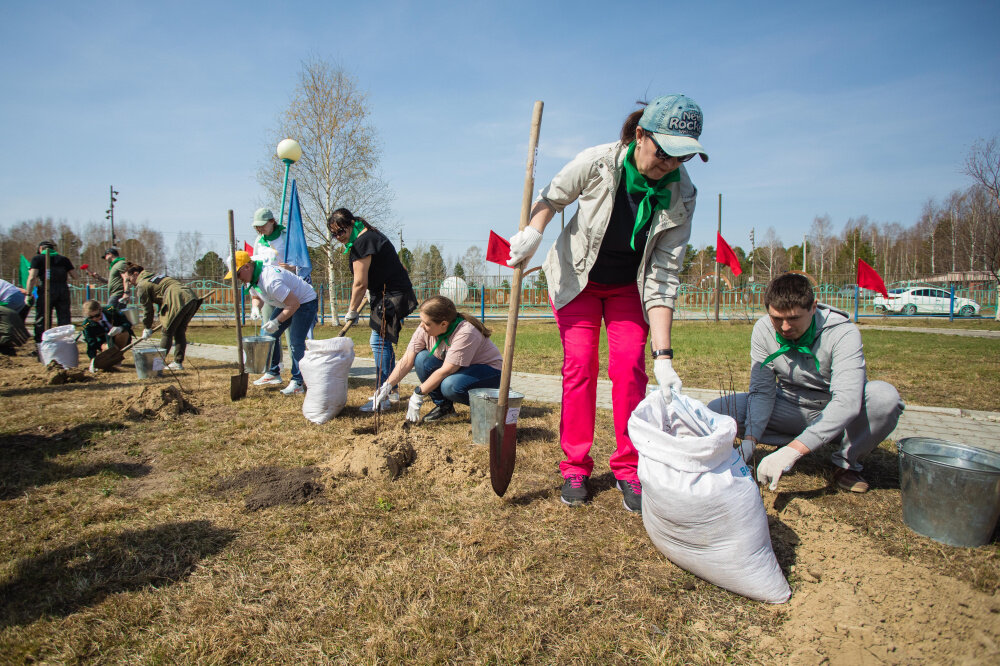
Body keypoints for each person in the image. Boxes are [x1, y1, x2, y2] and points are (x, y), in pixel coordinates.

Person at [505, 94, 708, 513]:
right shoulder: (599, 162)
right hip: (577, 280)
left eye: (680, 158)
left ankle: (629, 466)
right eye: (663, 154)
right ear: (640, 136)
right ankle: (575, 464)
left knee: (631, 367)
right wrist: (534, 231)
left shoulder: (682, 195)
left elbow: (664, 275)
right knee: (580, 365)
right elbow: (553, 196)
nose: (669, 165)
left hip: (628, 288)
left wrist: (664, 357)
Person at [708, 273, 905, 494]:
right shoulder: (763, 329)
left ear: (813, 307)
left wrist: (792, 451)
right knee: (718, 410)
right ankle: (800, 440)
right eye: (776, 318)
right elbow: (762, 391)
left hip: (838, 415)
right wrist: (750, 441)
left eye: (793, 319)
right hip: (790, 407)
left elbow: (846, 402)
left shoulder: (842, 332)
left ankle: (846, 464)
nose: (784, 328)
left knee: (884, 398)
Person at [328, 207, 418, 411]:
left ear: (351, 224)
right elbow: (393, 266)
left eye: (340, 231)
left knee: (378, 341)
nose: (338, 237)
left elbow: (359, 283)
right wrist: (373, 289)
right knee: (382, 341)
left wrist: (352, 310)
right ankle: (391, 390)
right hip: (389, 292)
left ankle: (383, 395)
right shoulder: (369, 235)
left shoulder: (363, 241)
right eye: (334, 234)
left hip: (391, 295)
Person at [370, 295, 502, 423]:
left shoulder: (466, 332)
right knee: (422, 359)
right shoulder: (425, 329)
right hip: (462, 369)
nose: (421, 326)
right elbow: (407, 360)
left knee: (450, 386)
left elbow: (447, 370)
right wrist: (387, 386)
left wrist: (418, 394)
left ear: (444, 324)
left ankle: (492, 405)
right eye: (421, 320)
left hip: (488, 372)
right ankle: (445, 408)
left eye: (426, 323)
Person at [226, 250, 318, 395]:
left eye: (237, 274)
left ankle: (297, 382)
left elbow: (294, 305)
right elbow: (256, 296)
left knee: (295, 342)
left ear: (247, 267)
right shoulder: (252, 278)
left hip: (305, 302)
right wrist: (256, 308)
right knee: (268, 336)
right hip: (286, 305)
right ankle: (273, 373)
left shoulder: (270, 280)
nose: (238, 279)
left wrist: (276, 321)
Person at [124, 262, 202, 371]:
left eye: (129, 279)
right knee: (179, 331)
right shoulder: (154, 277)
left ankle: (157, 365)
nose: (129, 283)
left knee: (167, 332)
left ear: (135, 274)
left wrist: (147, 327)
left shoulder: (142, 285)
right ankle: (177, 362)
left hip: (177, 298)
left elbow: (147, 309)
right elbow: (161, 300)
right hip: (190, 297)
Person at [25, 240, 76, 342]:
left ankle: (41, 343)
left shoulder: (37, 259)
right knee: (64, 317)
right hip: (63, 290)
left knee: (43, 318)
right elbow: (75, 276)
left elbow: (32, 277)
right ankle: (65, 343)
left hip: (46, 289)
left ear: (40, 249)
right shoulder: (64, 259)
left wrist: (28, 294)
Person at [80, 299, 133, 370]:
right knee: (108, 347)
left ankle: (117, 356)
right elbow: (91, 343)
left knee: (123, 333)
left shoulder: (111, 310)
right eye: (91, 317)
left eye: (97, 315)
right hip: (104, 342)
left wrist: (121, 328)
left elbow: (127, 323)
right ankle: (113, 358)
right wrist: (93, 360)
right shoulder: (87, 325)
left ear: (100, 310)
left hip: (119, 338)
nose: (95, 318)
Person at [0, 278, 31, 355]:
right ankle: (9, 346)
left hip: (9, 299)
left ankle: (5, 348)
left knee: (4, 323)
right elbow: (21, 290)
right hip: (20, 297)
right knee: (9, 324)